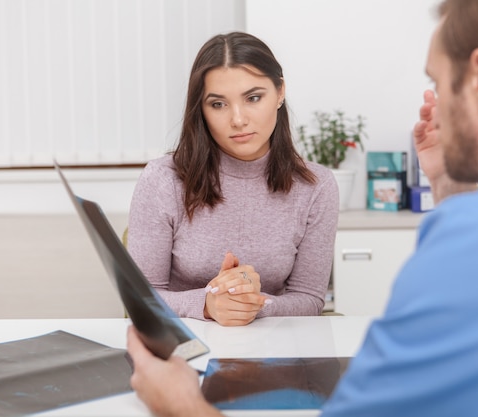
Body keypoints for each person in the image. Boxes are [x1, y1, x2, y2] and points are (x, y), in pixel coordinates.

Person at [125, 0, 478, 415]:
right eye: (218, 103)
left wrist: (181, 407)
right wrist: (447, 183)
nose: (238, 119)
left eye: (436, 82)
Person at [127, 32, 339, 327]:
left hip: (273, 352)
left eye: (253, 98)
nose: (238, 119)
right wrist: (206, 304)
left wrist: (251, 303)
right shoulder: (163, 180)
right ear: (200, 109)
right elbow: (139, 296)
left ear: (280, 93)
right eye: (218, 104)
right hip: (183, 351)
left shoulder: (316, 186)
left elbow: (310, 298)